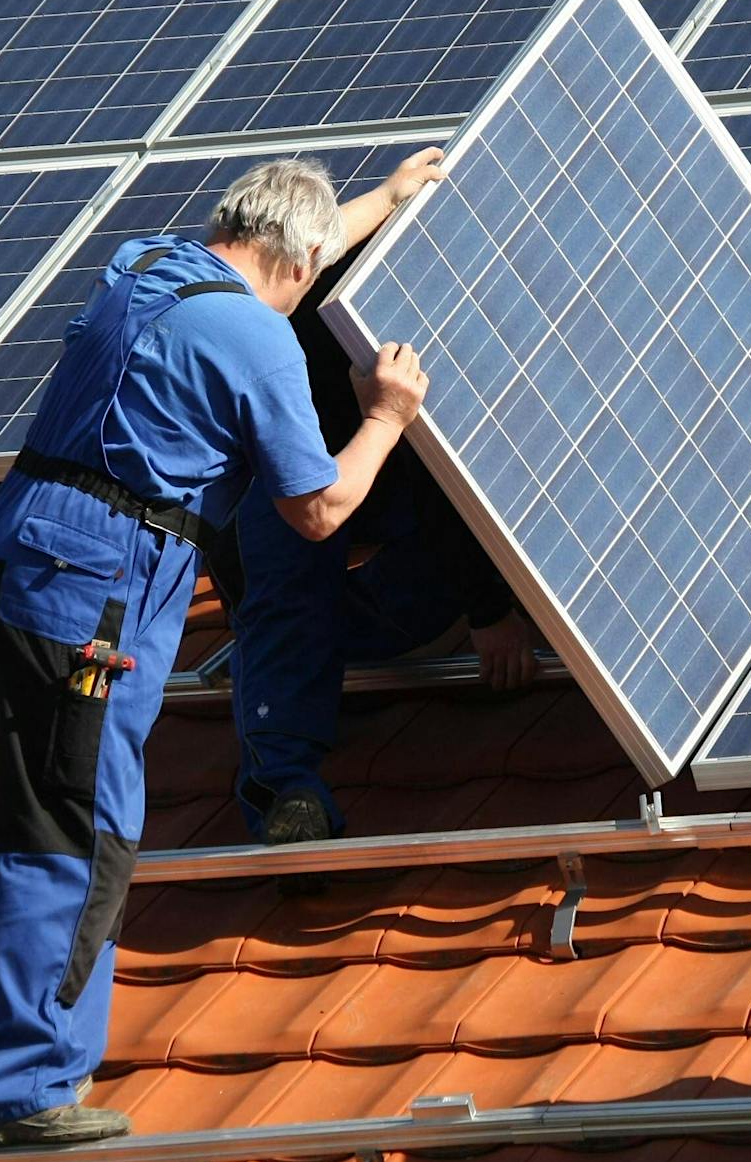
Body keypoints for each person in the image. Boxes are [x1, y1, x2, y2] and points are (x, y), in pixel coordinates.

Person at [0, 149, 445, 1148]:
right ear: (299, 263)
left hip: (12, 553)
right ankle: (24, 1088)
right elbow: (317, 508)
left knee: (51, 805)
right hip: (95, 587)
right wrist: (385, 417)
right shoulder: (260, 341)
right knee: (79, 826)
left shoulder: (143, 265)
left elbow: (288, 245)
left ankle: (25, 1065)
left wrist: (385, 200)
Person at [226, 236, 541, 845]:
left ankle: (347, 636)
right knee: (281, 595)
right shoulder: (295, 333)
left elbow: (442, 463)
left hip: (397, 469)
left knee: (417, 592)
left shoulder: (449, 282)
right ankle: (286, 790)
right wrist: (490, 613)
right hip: (299, 477)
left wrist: (486, 601)